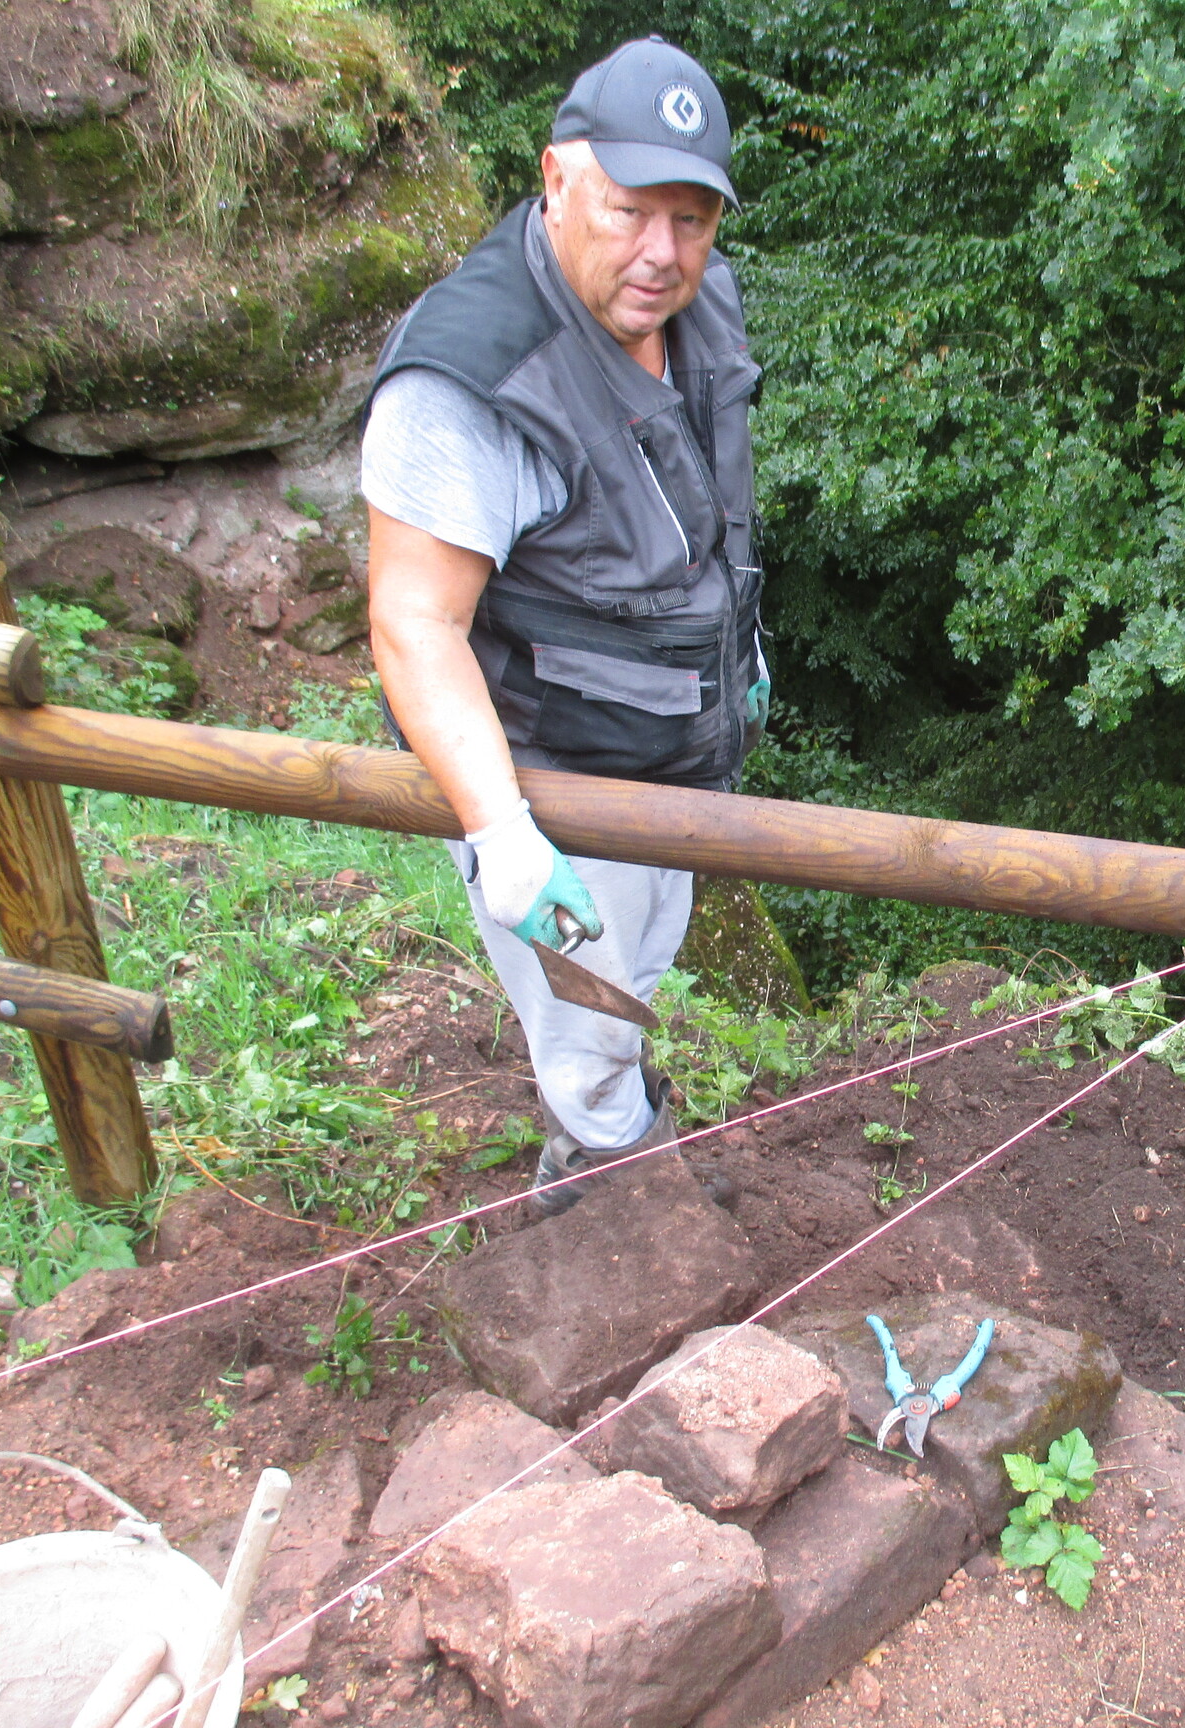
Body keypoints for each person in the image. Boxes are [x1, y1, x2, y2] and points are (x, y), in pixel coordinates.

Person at [361, 37, 766, 1217]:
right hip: (550, 774)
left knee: (636, 971)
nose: (662, 252)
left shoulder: (698, 305)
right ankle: (611, 1194)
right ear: (555, 178)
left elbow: (696, 509)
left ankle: (614, 1137)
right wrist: (504, 833)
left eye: (692, 219)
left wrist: (740, 654)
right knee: (587, 1021)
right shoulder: (472, 377)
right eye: (629, 209)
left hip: (672, 748)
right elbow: (414, 622)